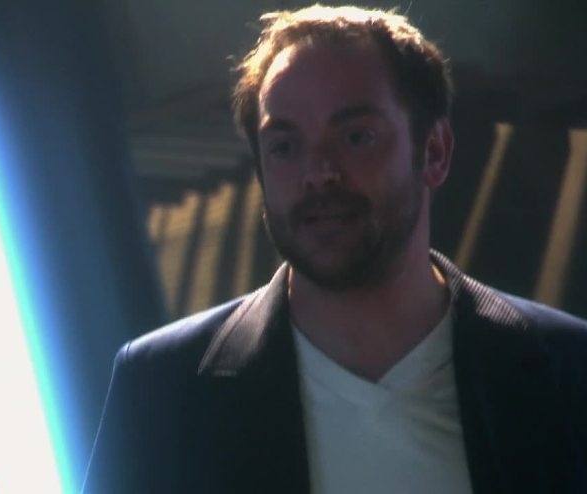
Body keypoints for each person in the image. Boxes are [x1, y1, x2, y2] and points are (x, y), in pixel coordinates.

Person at [83, 5, 587, 493]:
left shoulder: (566, 371)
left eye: (356, 137)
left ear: (434, 151)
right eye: (285, 146)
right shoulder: (164, 392)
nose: (319, 172)